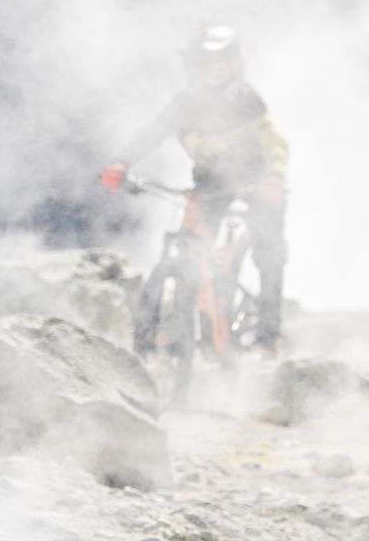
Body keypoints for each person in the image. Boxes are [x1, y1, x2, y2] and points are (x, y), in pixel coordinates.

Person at [101, 24, 289, 351]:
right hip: (211, 183)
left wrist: (274, 177)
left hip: (257, 183)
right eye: (204, 65)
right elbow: (153, 132)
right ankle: (184, 322)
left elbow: (274, 142)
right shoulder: (185, 103)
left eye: (220, 65)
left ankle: (268, 336)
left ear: (235, 66)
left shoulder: (246, 100)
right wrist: (121, 162)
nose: (211, 73)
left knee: (269, 251)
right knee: (192, 245)